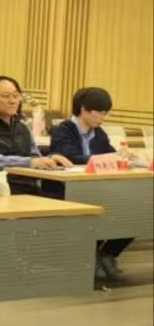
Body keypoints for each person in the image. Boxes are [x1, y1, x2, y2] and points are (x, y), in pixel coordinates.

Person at [48, 87, 133, 283]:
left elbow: (110, 154)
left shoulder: (99, 133)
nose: (103, 117)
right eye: (100, 112)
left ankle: (106, 253)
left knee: (132, 209)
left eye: (106, 113)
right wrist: (108, 157)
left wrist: (122, 157)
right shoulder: (64, 129)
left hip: (99, 187)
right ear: (84, 109)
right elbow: (70, 157)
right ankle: (91, 254)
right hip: (70, 190)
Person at [0, 76, 71, 194]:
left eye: (15, 96)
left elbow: (34, 156)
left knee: (63, 192)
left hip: (28, 188)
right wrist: (29, 162)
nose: (12, 101)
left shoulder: (23, 128)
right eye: (6, 96)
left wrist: (50, 160)